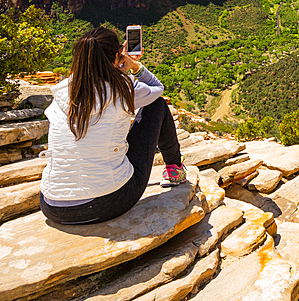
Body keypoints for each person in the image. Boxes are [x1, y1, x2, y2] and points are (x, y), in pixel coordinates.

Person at [39, 26, 188, 225]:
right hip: (105, 203)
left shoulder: (63, 90)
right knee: (157, 105)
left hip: (52, 206)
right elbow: (157, 89)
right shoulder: (123, 88)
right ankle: (175, 170)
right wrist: (135, 67)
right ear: (117, 57)